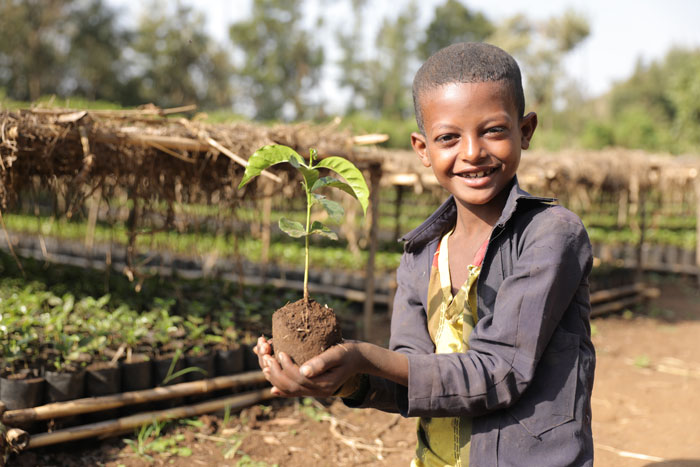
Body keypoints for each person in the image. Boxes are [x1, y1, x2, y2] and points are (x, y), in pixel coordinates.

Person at [254, 42, 595, 466]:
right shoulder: (422, 256)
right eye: (448, 137)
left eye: (493, 130)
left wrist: (361, 355)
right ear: (422, 149)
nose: (472, 152)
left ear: (525, 131)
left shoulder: (550, 236)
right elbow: (408, 379)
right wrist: (337, 379)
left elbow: (500, 372)